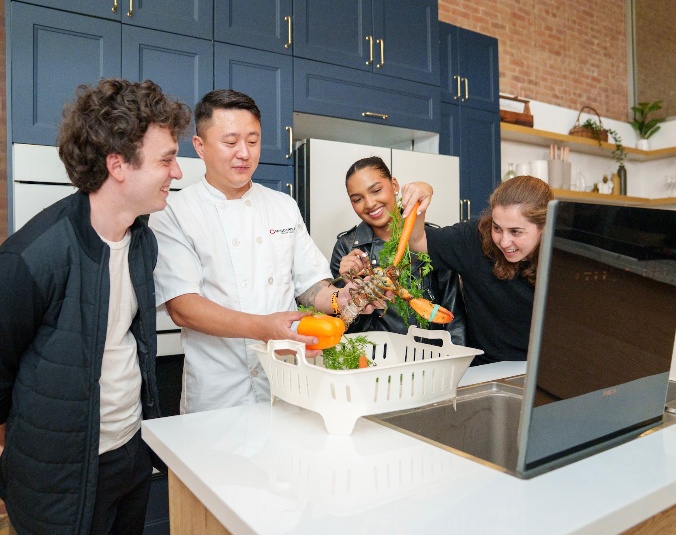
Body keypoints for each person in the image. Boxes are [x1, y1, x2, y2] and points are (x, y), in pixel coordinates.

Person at [0, 79, 191, 535]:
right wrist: (32, 448)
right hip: (60, 479)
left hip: (131, 454)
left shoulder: (143, 242)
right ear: (117, 165)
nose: (176, 172)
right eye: (166, 160)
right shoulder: (26, 261)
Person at [148, 89, 376, 414]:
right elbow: (183, 307)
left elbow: (310, 286)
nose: (244, 153)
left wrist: (344, 298)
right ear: (200, 146)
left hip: (287, 381)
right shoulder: (174, 211)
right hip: (218, 394)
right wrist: (262, 328)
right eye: (230, 142)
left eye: (253, 141)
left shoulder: (283, 206)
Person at [402, 176, 554, 365]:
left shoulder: (566, 259)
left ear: (544, 227)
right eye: (497, 228)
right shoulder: (473, 240)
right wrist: (419, 200)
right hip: (486, 368)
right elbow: (418, 242)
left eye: (516, 232)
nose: (504, 242)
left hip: (546, 367)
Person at [331, 156, 467, 344]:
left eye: (376, 190)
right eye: (357, 199)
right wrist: (349, 285)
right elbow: (342, 326)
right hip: (376, 354)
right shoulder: (346, 247)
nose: (369, 204)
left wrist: (457, 355)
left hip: (433, 354)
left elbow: (454, 313)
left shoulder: (431, 240)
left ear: (394, 185)